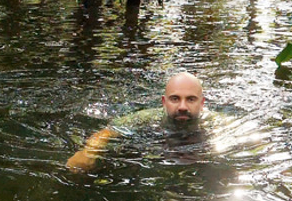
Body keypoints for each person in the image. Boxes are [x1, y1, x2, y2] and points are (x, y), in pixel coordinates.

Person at [66, 72, 207, 172]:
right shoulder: (147, 117)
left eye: (191, 99)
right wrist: (88, 151)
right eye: (175, 99)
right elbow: (108, 131)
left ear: (202, 103)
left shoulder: (217, 122)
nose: (182, 106)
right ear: (164, 102)